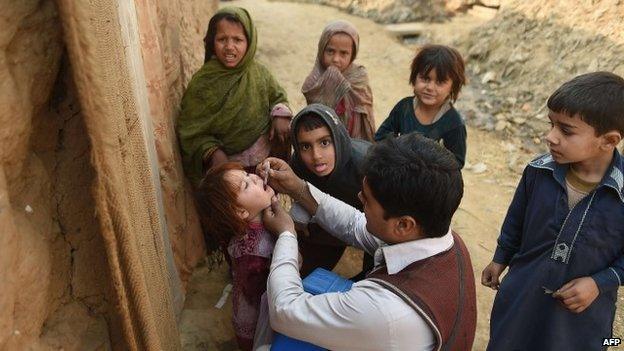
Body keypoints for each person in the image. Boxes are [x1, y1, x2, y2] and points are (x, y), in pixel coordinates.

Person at [257, 133, 477, 351]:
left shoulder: (385, 312)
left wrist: (286, 233)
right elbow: (354, 224)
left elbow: (284, 311)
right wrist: (299, 188)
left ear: (403, 225)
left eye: (368, 200)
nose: (359, 199)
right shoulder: (442, 238)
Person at [481, 72, 624, 350]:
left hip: (582, 319)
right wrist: (500, 257)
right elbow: (516, 221)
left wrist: (599, 283)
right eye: (551, 125)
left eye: (566, 130)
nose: (550, 137)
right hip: (521, 297)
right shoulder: (538, 171)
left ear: (608, 140)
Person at [177, 6, 292, 186]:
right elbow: (191, 130)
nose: (229, 47)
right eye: (222, 39)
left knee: (268, 203)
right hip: (230, 171)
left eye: (238, 39)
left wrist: (280, 116)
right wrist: (213, 152)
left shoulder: (259, 73)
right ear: (212, 42)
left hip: (265, 163)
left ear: (250, 41)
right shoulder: (202, 83)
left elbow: (277, 97)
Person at [195, 162, 277, 351]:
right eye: (246, 185)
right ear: (241, 212)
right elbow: (261, 290)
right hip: (257, 328)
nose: (255, 178)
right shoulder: (254, 253)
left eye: (247, 175)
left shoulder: (254, 222)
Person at [288, 103, 374, 277]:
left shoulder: (367, 165)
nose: (316, 156)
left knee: (372, 279)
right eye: (305, 146)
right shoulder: (298, 164)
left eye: (324, 142)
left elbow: (385, 225)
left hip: (372, 228)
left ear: (338, 138)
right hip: (326, 229)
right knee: (300, 276)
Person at [374, 44, 467, 167]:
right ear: (414, 77)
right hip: (397, 175)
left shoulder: (454, 124)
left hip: (429, 182)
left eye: (439, 82)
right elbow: (381, 138)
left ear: (453, 87)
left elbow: (456, 164)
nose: (430, 87)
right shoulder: (404, 108)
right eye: (425, 79)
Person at [302, 20, 375, 142]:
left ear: (352, 55)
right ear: (321, 50)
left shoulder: (359, 77)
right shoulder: (315, 81)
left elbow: (366, 113)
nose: (336, 59)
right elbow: (315, 115)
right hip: (325, 141)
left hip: (355, 138)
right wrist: (330, 80)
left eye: (344, 53)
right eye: (330, 51)